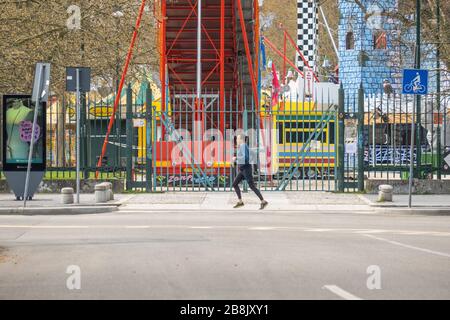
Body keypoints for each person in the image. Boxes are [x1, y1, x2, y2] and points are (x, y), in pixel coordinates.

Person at [232, 134, 268, 210]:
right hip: (242, 170)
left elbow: (246, 158)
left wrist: (236, 158)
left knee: (252, 186)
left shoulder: (243, 146)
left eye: (237, 139)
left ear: (241, 139)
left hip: (246, 170)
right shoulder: (242, 147)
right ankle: (240, 202)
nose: (236, 140)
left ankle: (263, 201)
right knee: (234, 184)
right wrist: (236, 162)